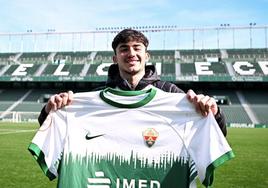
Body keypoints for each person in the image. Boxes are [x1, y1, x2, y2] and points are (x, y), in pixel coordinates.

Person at [38, 28, 226, 136]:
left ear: (147, 55)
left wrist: (214, 113)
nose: (131, 53)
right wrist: (50, 110)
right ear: (115, 58)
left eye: (137, 48)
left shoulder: (170, 92)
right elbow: (53, 130)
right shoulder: (97, 95)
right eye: (124, 49)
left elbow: (214, 134)